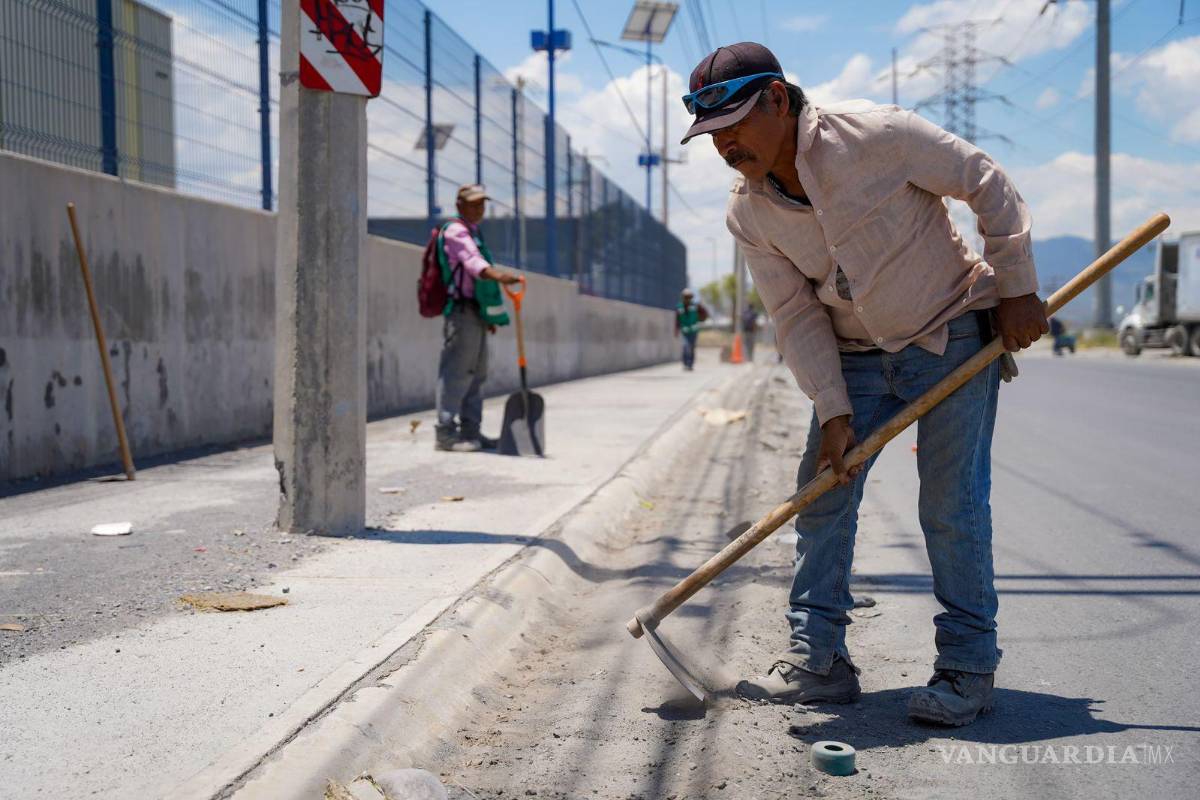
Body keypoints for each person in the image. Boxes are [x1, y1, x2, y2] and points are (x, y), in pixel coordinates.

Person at [680, 42, 1048, 725]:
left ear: (779, 100)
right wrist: (833, 408)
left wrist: (1018, 287)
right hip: (853, 356)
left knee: (951, 505)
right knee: (821, 498)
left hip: (948, 332)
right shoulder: (749, 214)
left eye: (734, 123)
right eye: (712, 135)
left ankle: (967, 666)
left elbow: (986, 181)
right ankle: (820, 660)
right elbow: (794, 314)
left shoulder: (879, 134)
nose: (725, 143)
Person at [434, 184, 523, 453]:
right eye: (473, 204)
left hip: (476, 312)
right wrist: (500, 275)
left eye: (482, 204)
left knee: (478, 373)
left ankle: (471, 430)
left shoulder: (474, 232)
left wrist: (489, 315)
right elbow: (473, 264)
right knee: (457, 372)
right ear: (459, 205)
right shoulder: (455, 231)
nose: (478, 209)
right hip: (461, 313)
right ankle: (446, 433)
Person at [675, 289, 707, 370]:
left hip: (693, 331)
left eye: (689, 297)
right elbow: (677, 320)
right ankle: (685, 363)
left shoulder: (695, 306)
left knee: (692, 347)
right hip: (685, 331)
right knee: (685, 346)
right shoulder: (679, 307)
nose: (687, 299)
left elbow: (704, 314)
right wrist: (676, 330)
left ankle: (690, 364)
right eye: (686, 297)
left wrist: (701, 315)